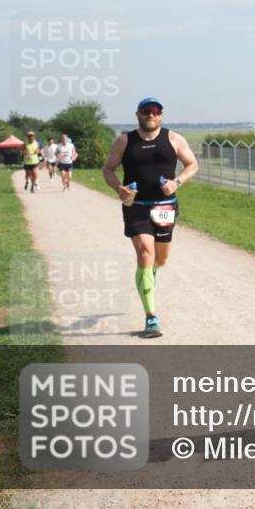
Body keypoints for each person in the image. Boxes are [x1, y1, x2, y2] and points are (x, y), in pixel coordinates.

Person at [102, 98, 198, 338]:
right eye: (146, 111)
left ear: (161, 116)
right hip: (137, 206)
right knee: (145, 253)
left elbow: (192, 165)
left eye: (155, 111)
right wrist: (119, 189)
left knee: (160, 259)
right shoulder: (125, 141)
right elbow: (108, 169)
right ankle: (151, 317)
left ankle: (149, 274)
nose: (151, 115)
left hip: (165, 206)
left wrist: (177, 182)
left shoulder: (174, 139)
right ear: (138, 114)